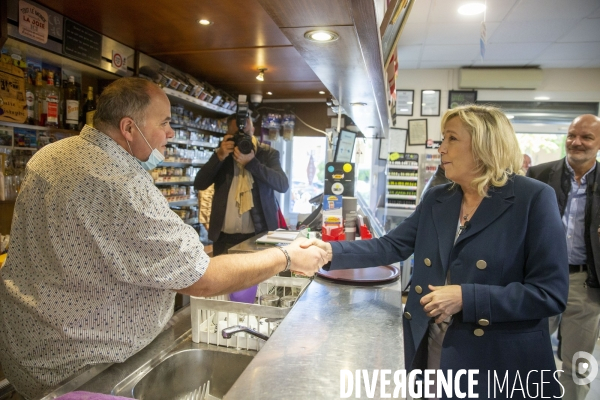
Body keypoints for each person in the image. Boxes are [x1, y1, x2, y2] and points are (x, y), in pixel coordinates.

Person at [0, 77, 326, 399]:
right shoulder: (121, 183)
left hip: (27, 352)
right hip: (83, 368)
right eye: (165, 122)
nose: (171, 133)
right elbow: (201, 279)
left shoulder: (49, 155)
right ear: (129, 129)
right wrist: (286, 256)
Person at [305, 105, 569, 398]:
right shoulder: (438, 198)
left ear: (484, 145)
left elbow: (550, 294)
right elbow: (391, 246)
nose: (441, 148)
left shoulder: (532, 198)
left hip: (497, 359)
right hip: (434, 342)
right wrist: (327, 251)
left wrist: (466, 298)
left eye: (451, 139)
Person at [527, 114, 600, 400]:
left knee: (578, 365)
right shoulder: (538, 175)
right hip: (541, 280)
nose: (576, 142)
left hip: (586, 283)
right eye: (572, 135)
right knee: (530, 357)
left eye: (586, 137)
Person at [194, 114, 288, 256]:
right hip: (224, 239)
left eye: (247, 135)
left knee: (258, 278)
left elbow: (282, 185)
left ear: (253, 130)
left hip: (259, 237)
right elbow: (199, 183)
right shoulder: (222, 156)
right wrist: (218, 156)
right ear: (228, 135)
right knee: (223, 277)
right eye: (236, 136)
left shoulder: (267, 154)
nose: (242, 140)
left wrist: (252, 163)